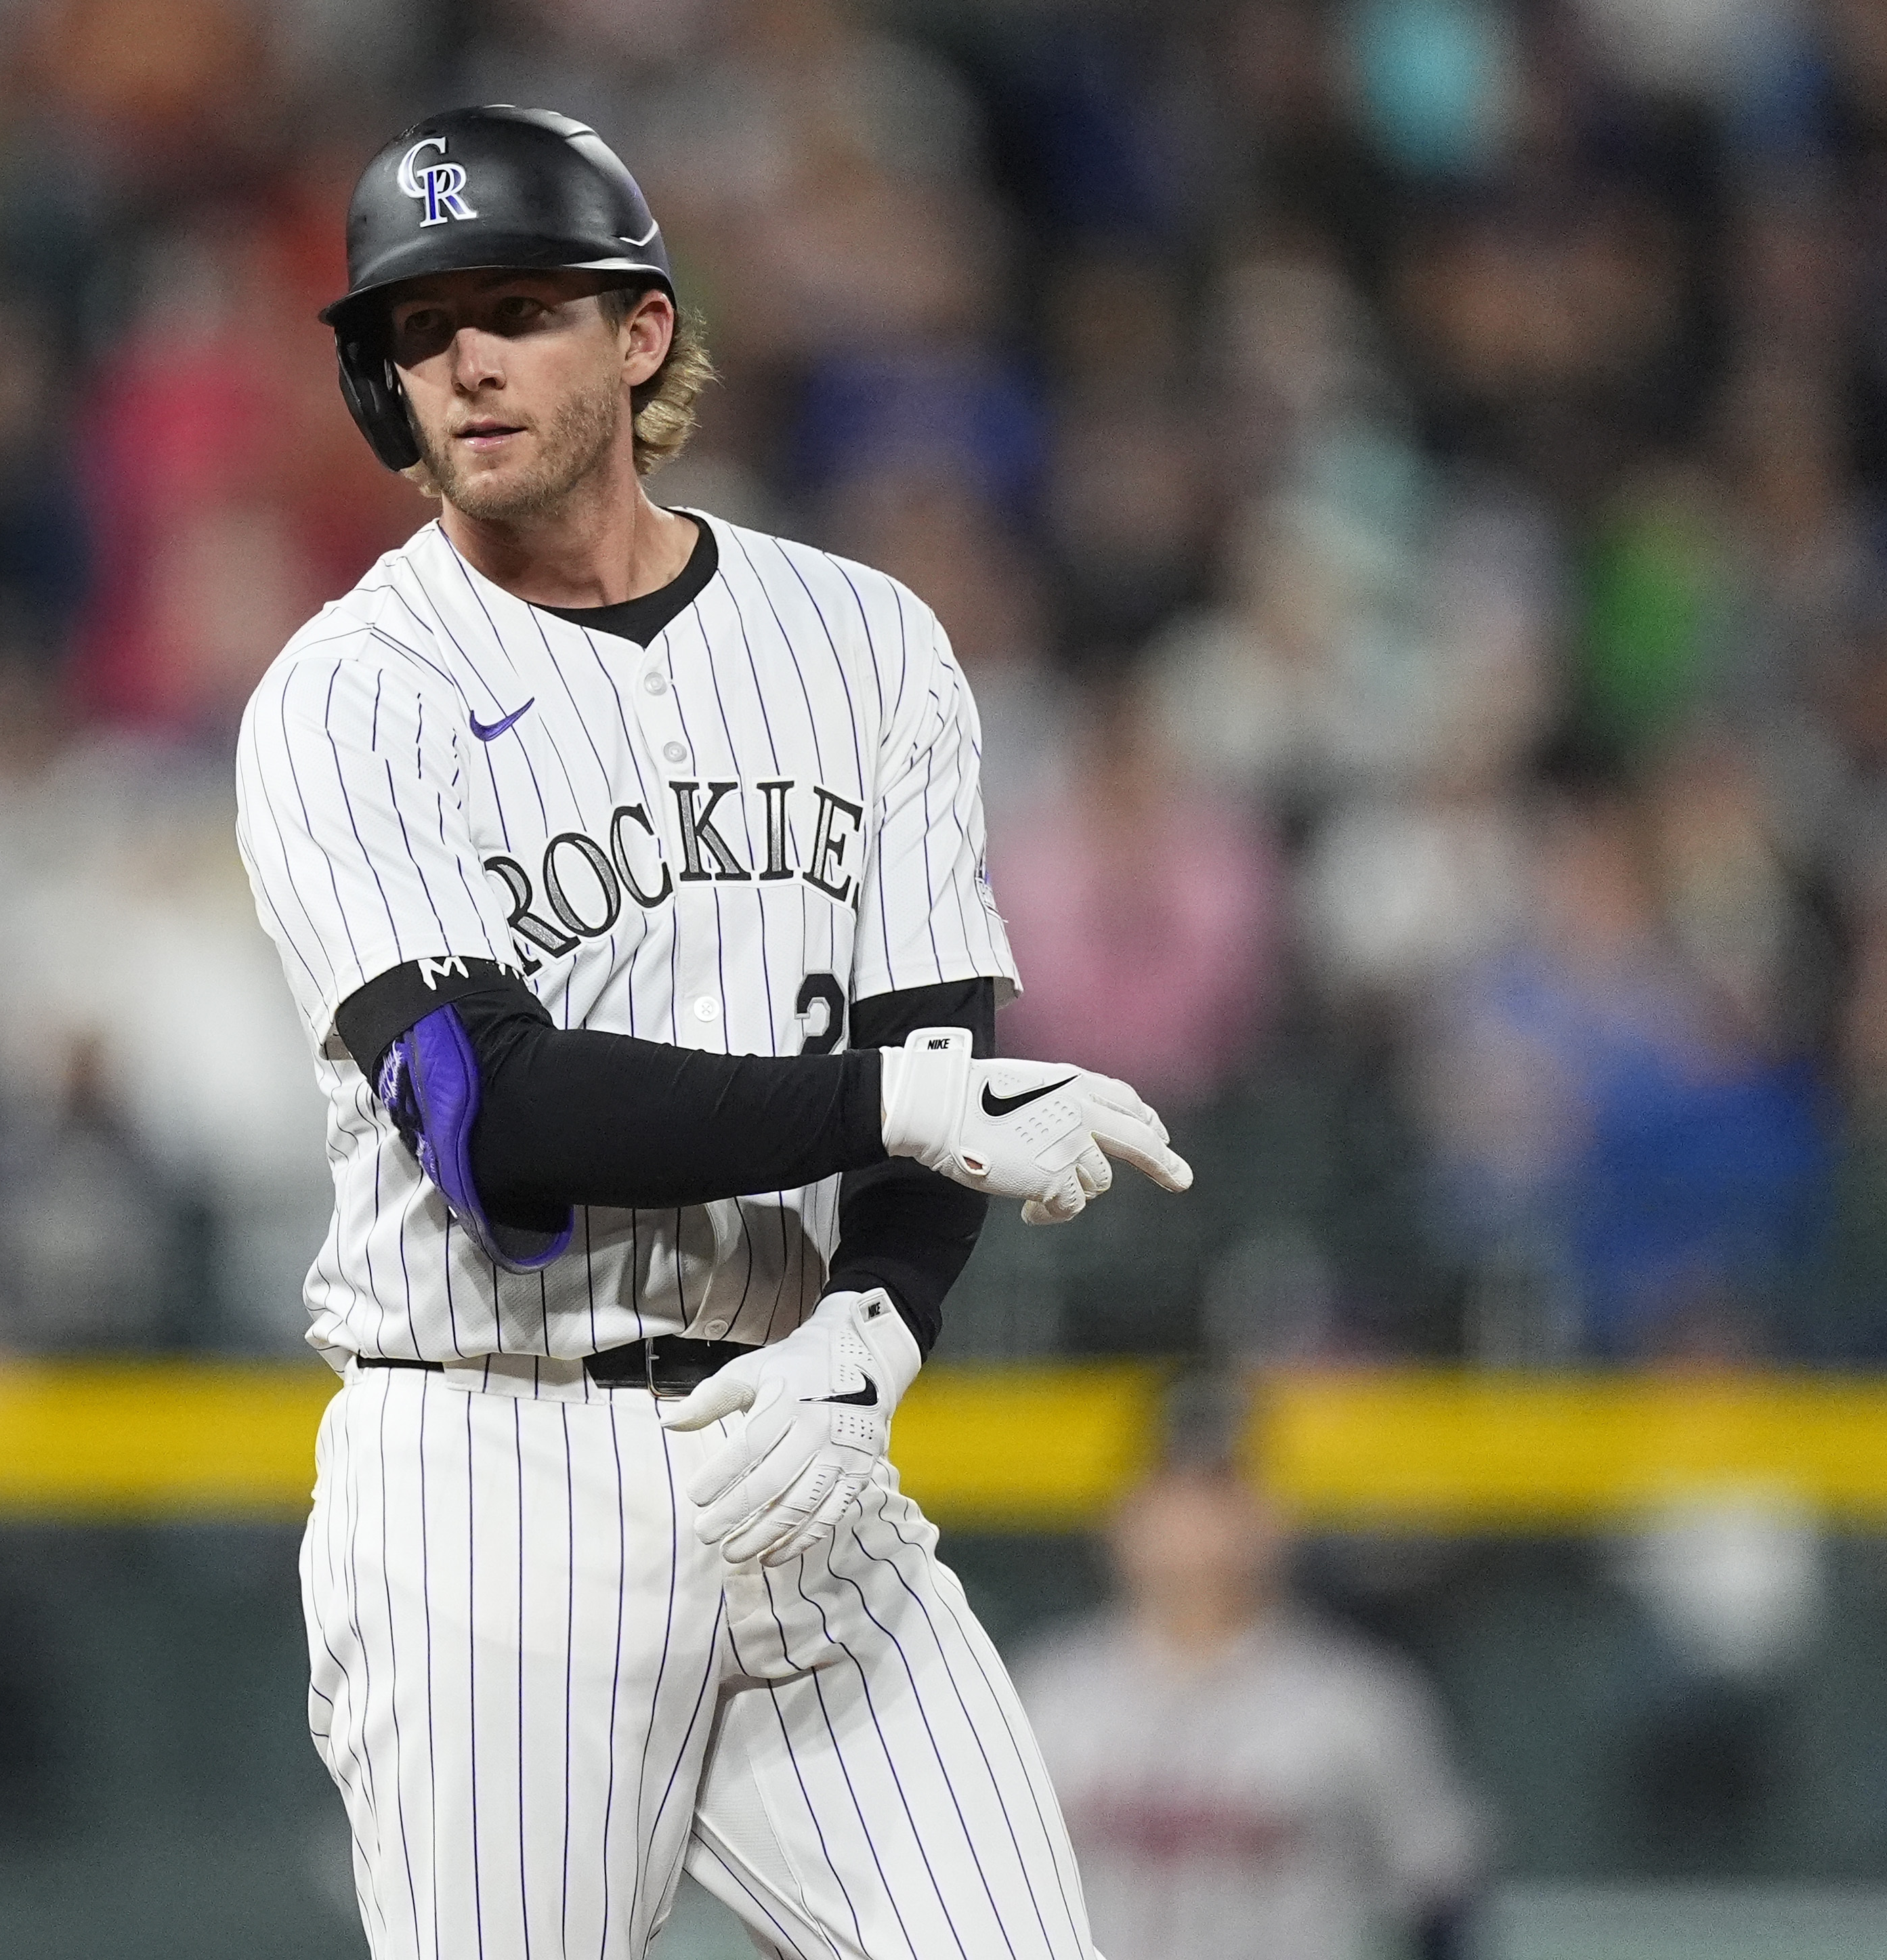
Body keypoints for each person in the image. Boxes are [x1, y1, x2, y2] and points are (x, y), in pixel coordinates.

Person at [232, 107, 1192, 1960]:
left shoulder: (863, 639)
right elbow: (488, 1117)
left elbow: (938, 1033)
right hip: (492, 1478)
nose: (465, 361)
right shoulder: (347, 700)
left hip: (797, 1446)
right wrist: (897, 1101)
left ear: (641, 333)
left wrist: (875, 1333)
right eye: (419, 332)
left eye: (515, 306)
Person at [1017, 1458, 1485, 1960]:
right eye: (1173, 1498)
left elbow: (1441, 1884)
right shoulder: (1042, 1692)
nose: (1196, 1530)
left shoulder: (1354, 1698)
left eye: (1222, 1499)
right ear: (1121, 1521)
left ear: (1274, 1523)